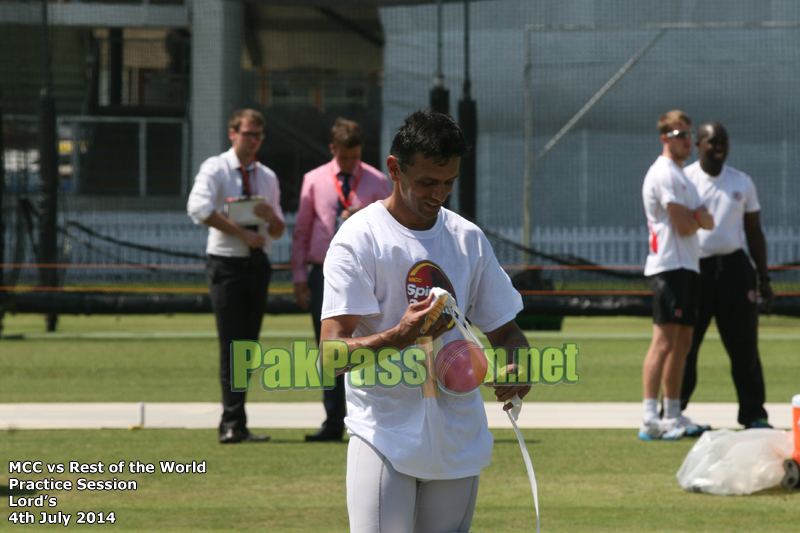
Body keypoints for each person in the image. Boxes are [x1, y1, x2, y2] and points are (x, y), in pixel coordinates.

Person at [320, 110, 531, 532]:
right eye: (428, 182)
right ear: (394, 169)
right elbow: (330, 355)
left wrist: (516, 366)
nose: (440, 194)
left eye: (449, 182)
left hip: (458, 438)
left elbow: (508, 332)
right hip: (383, 434)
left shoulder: (467, 238)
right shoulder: (358, 238)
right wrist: (400, 335)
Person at [187, 108, 286, 444]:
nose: (253, 140)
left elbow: (278, 229)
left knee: (247, 347)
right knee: (231, 345)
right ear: (232, 133)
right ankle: (230, 422)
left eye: (258, 135)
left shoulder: (267, 176)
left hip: (257, 264)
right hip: (227, 263)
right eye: (247, 134)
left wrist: (270, 216)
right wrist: (242, 234)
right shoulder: (216, 168)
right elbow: (198, 208)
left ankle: (238, 423)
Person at [291, 118, 392, 442]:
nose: (350, 163)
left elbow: (391, 224)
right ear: (333, 149)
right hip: (323, 272)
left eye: (355, 156)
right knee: (331, 346)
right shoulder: (314, 180)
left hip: (368, 273)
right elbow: (303, 230)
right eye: (345, 157)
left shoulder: (377, 180)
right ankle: (333, 420)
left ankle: (371, 415)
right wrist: (298, 276)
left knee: (371, 341)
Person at [680, 122, 775, 429]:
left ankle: (754, 414)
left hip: (735, 270)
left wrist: (764, 278)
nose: (719, 146)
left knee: (744, 348)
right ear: (698, 145)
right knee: (687, 347)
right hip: (697, 270)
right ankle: (674, 412)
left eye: (723, 141)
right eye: (712, 141)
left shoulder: (742, 182)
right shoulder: (685, 181)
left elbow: (754, 231)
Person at [640, 110, 714, 441]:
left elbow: (708, 220)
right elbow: (686, 224)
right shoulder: (663, 173)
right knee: (665, 340)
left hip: (689, 266)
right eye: (680, 135)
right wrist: (695, 217)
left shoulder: (684, 176)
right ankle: (649, 418)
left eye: (689, 134)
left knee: (683, 342)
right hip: (668, 266)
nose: (687, 141)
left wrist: (695, 217)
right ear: (665, 139)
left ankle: (673, 414)